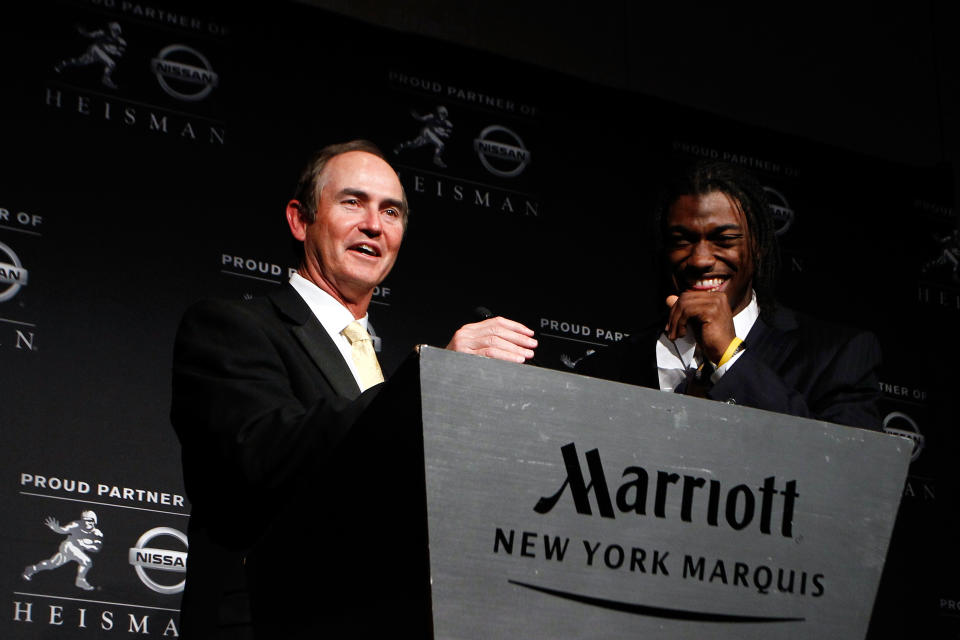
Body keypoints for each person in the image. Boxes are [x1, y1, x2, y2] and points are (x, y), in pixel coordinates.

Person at [170, 140, 537, 638]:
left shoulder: (378, 367)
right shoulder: (230, 327)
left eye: (391, 211)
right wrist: (430, 381)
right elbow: (262, 453)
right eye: (352, 202)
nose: (374, 225)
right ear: (301, 221)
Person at [580, 160, 881, 430]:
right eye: (682, 241)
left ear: (759, 247)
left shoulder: (835, 357)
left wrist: (729, 358)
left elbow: (852, 475)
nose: (700, 259)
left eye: (723, 240)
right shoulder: (607, 368)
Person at [22, 510, 103, 591]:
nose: (86, 523)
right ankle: (80, 580)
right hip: (68, 546)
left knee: (51, 564)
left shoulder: (97, 533)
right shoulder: (76, 524)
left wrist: (85, 545)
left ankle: (32, 569)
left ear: (94, 521)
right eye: (85, 520)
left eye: (89, 520)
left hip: (77, 551)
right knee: (86, 561)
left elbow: (96, 548)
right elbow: (64, 530)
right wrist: (56, 528)